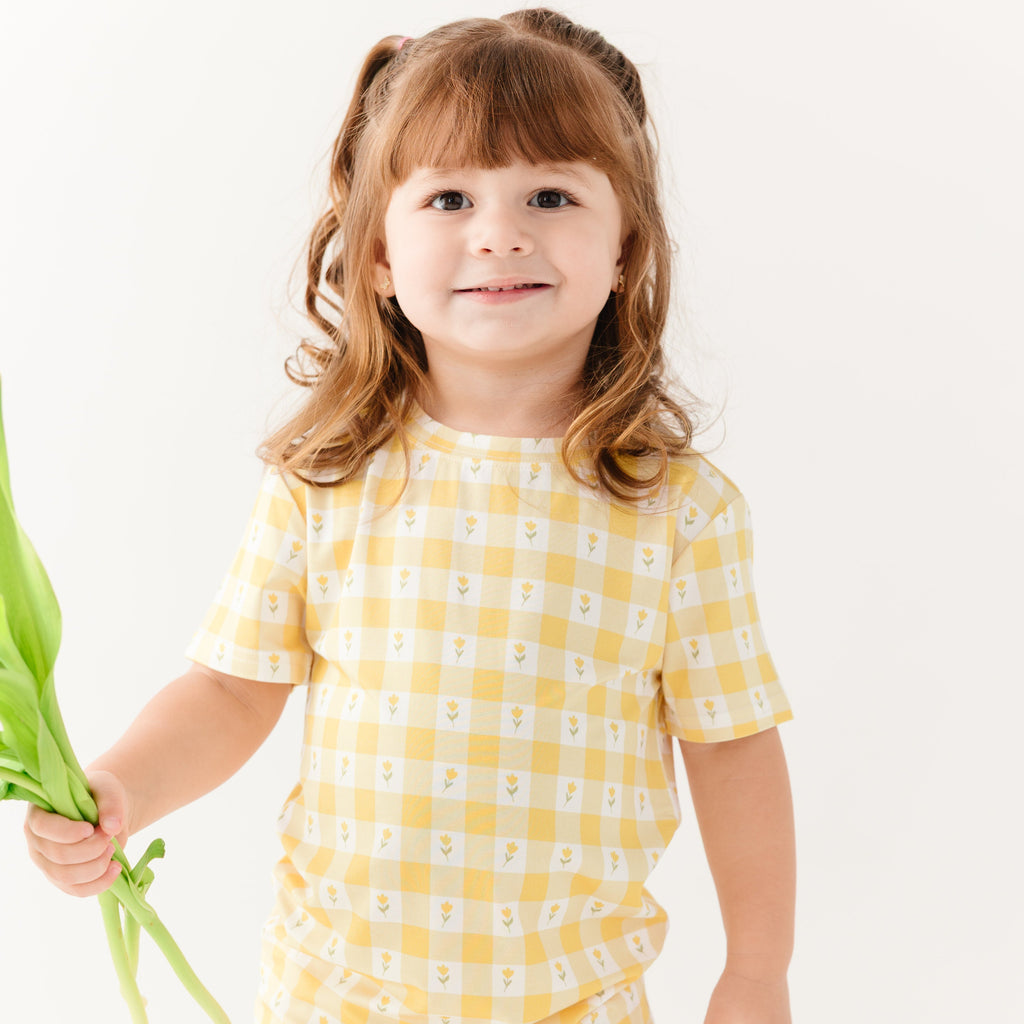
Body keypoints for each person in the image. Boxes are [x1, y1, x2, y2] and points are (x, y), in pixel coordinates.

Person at [24, 9, 795, 1023]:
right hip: (335, 992)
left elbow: (731, 745)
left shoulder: (675, 510)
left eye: (550, 194)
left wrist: (755, 969)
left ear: (625, 251)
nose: (499, 232)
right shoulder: (325, 480)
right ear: (380, 255)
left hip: (575, 999)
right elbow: (228, 689)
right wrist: (122, 787)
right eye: (449, 197)